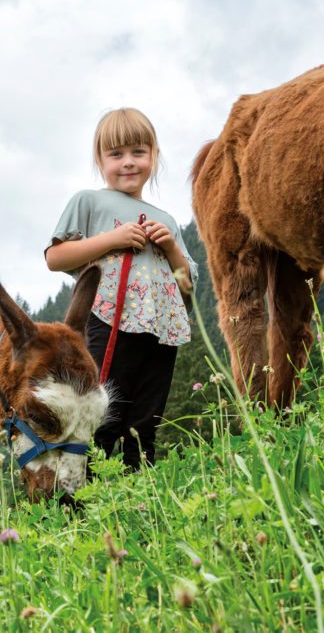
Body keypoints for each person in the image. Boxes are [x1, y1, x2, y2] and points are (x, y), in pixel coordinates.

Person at [44, 108, 197, 469]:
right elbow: (56, 257)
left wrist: (172, 248)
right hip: (107, 318)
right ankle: (83, 493)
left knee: (146, 417)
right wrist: (112, 239)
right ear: (100, 160)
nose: (128, 162)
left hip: (161, 329)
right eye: (116, 154)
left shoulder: (168, 221)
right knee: (100, 411)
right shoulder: (89, 201)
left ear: (153, 156)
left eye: (138, 152)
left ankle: (139, 492)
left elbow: (187, 287)